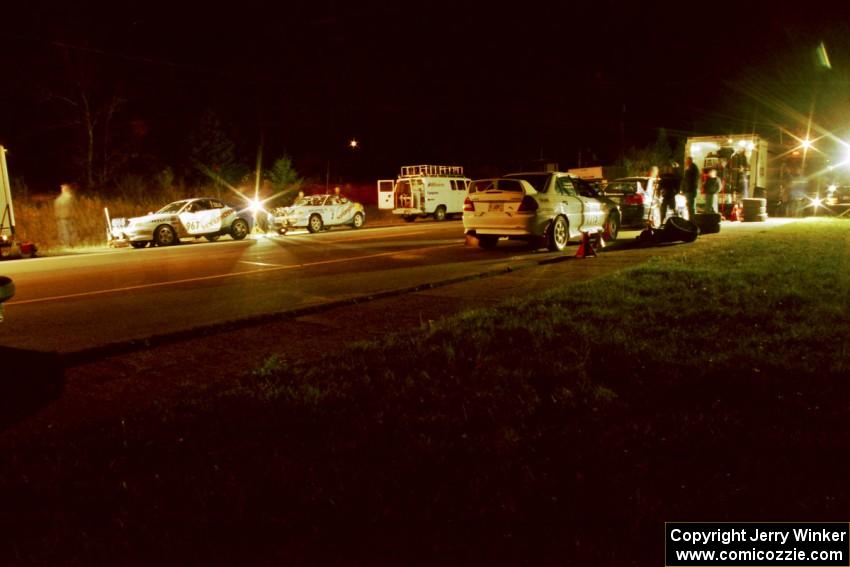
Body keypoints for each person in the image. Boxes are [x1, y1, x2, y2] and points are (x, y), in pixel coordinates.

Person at [54, 182, 78, 247]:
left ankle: (65, 245)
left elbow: (57, 209)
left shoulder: (58, 199)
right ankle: (73, 244)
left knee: (63, 232)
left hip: (61, 218)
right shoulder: (70, 197)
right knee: (71, 231)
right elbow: (74, 207)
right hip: (70, 217)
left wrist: (57, 216)